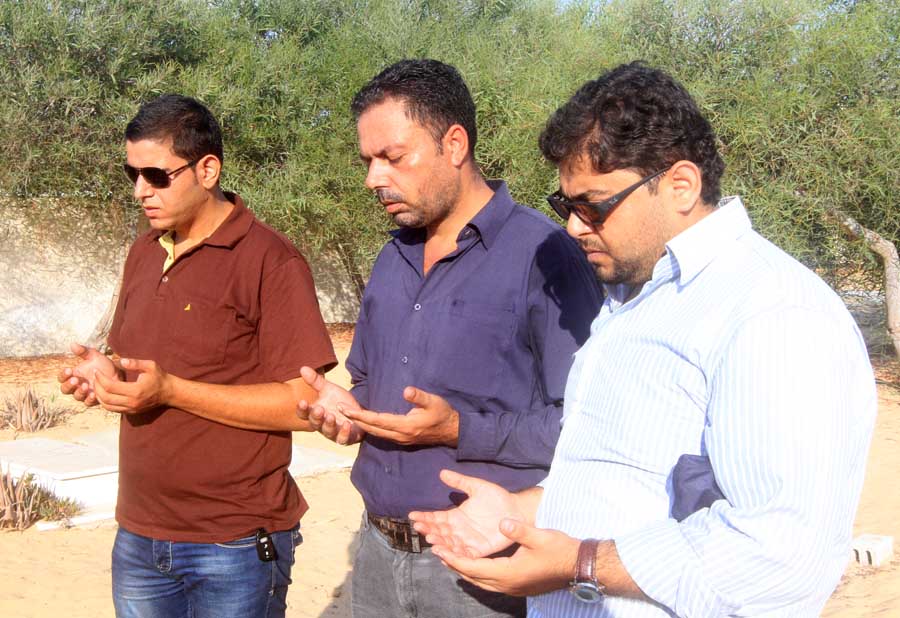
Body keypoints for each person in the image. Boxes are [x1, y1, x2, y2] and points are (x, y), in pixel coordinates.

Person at [409, 62, 877, 618]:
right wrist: (523, 510)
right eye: (566, 206)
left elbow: (780, 553)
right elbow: (627, 478)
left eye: (593, 205)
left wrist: (580, 564)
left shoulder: (774, 313)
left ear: (681, 186)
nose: (574, 226)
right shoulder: (634, 299)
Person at [296, 59, 603, 618]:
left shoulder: (546, 255)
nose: (373, 179)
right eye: (367, 161)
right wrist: (350, 411)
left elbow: (586, 427)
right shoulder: (392, 258)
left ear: (454, 144)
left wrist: (461, 428)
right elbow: (370, 383)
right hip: (375, 555)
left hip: (479, 568)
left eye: (392, 157)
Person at [57, 94, 337, 618]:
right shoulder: (144, 252)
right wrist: (108, 377)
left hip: (234, 542)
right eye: (132, 174)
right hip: (139, 536)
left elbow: (306, 403)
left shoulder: (271, 260)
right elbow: (146, 367)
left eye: (156, 176)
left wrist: (170, 391)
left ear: (207, 170)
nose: (140, 191)